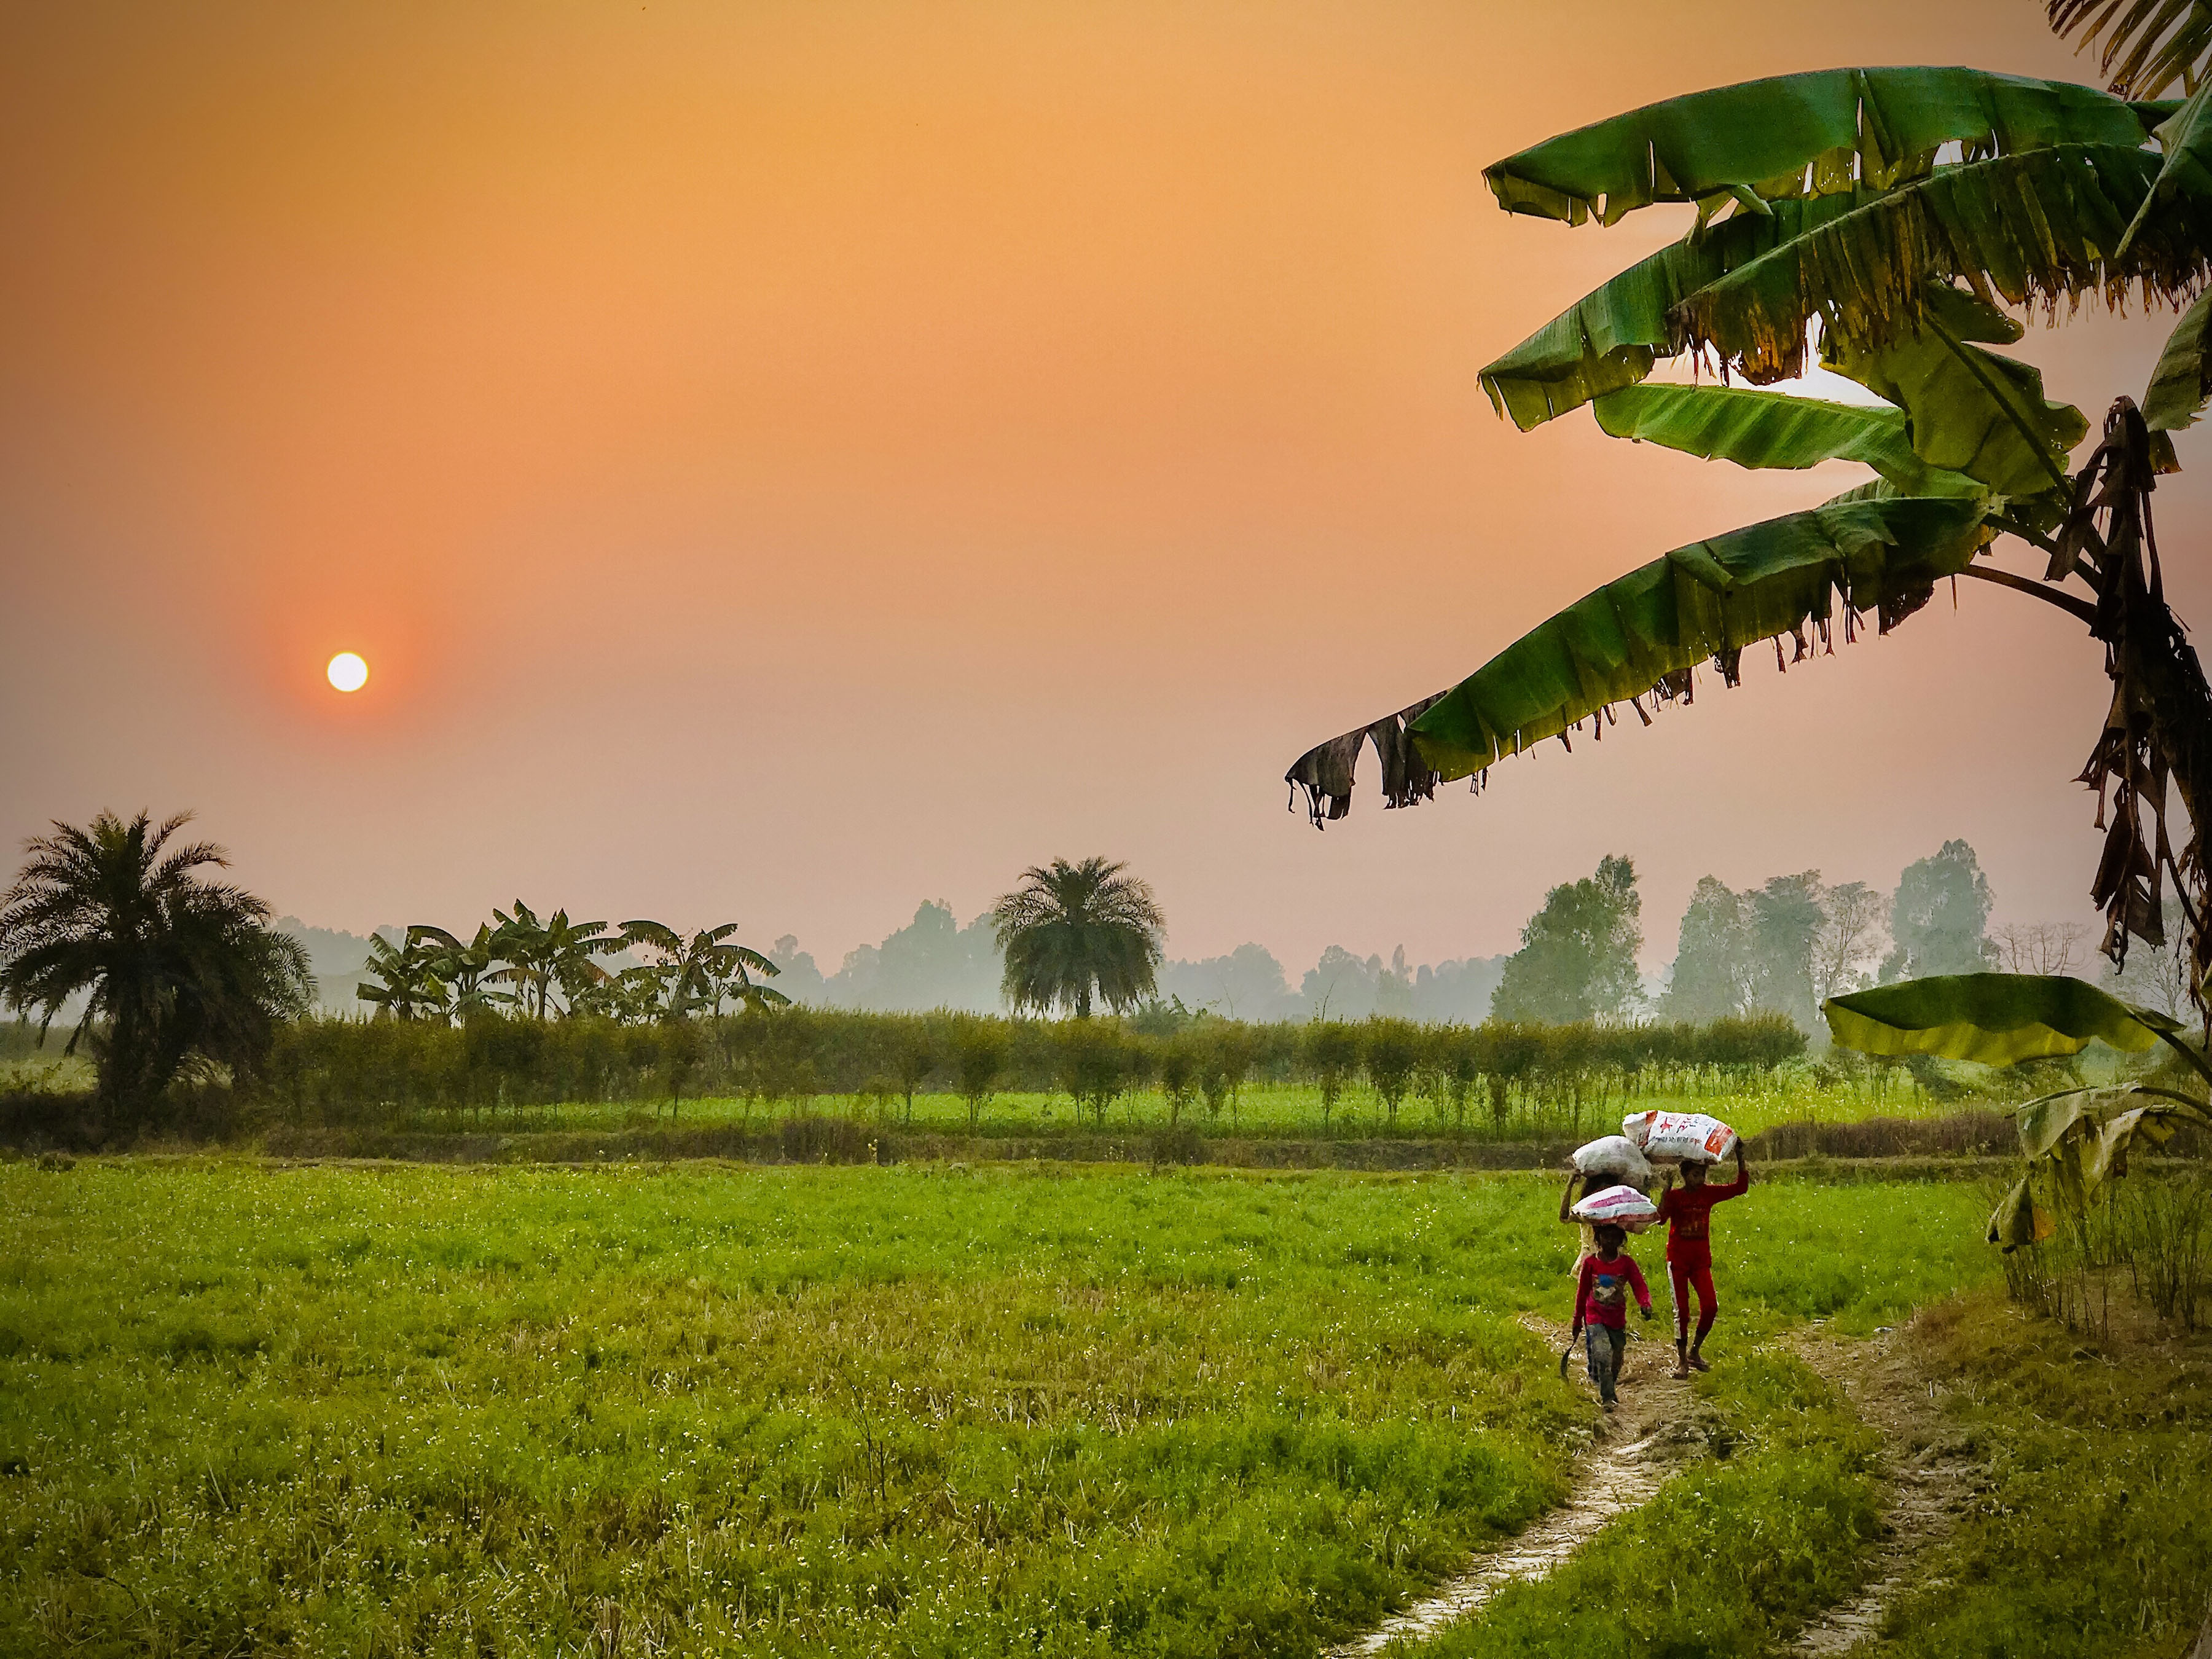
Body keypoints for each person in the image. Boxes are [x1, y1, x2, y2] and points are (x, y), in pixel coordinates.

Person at [1655, 1142, 1749, 1378]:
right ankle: (1682, 1362)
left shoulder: (1708, 1194)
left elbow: (1740, 1187)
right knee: (1683, 1312)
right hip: (1677, 1260)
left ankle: (1694, 1352)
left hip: (1700, 1261)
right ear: (1685, 1176)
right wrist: (1665, 1190)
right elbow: (1660, 1219)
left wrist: (1740, 1156)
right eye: (1696, 1175)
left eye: (1703, 1175)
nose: (1701, 1179)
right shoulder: (1675, 1197)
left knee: (1710, 1307)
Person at [1570, 1222, 1652, 1411]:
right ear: (1597, 1239)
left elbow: (1640, 1286)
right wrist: (1577, 1320)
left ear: (1621, 1240)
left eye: (1614, 1237)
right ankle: (1608, 1397)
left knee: (1616, 1358)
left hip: (1616, 1319)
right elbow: (1582, 1293)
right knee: (1602, 1353)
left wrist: (1645, 1304)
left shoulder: (1627, 1264)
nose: (1610, 1241)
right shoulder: (1590, 1263)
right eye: (1606, 1237)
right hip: (1595, 1316)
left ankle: (1609, 1383)